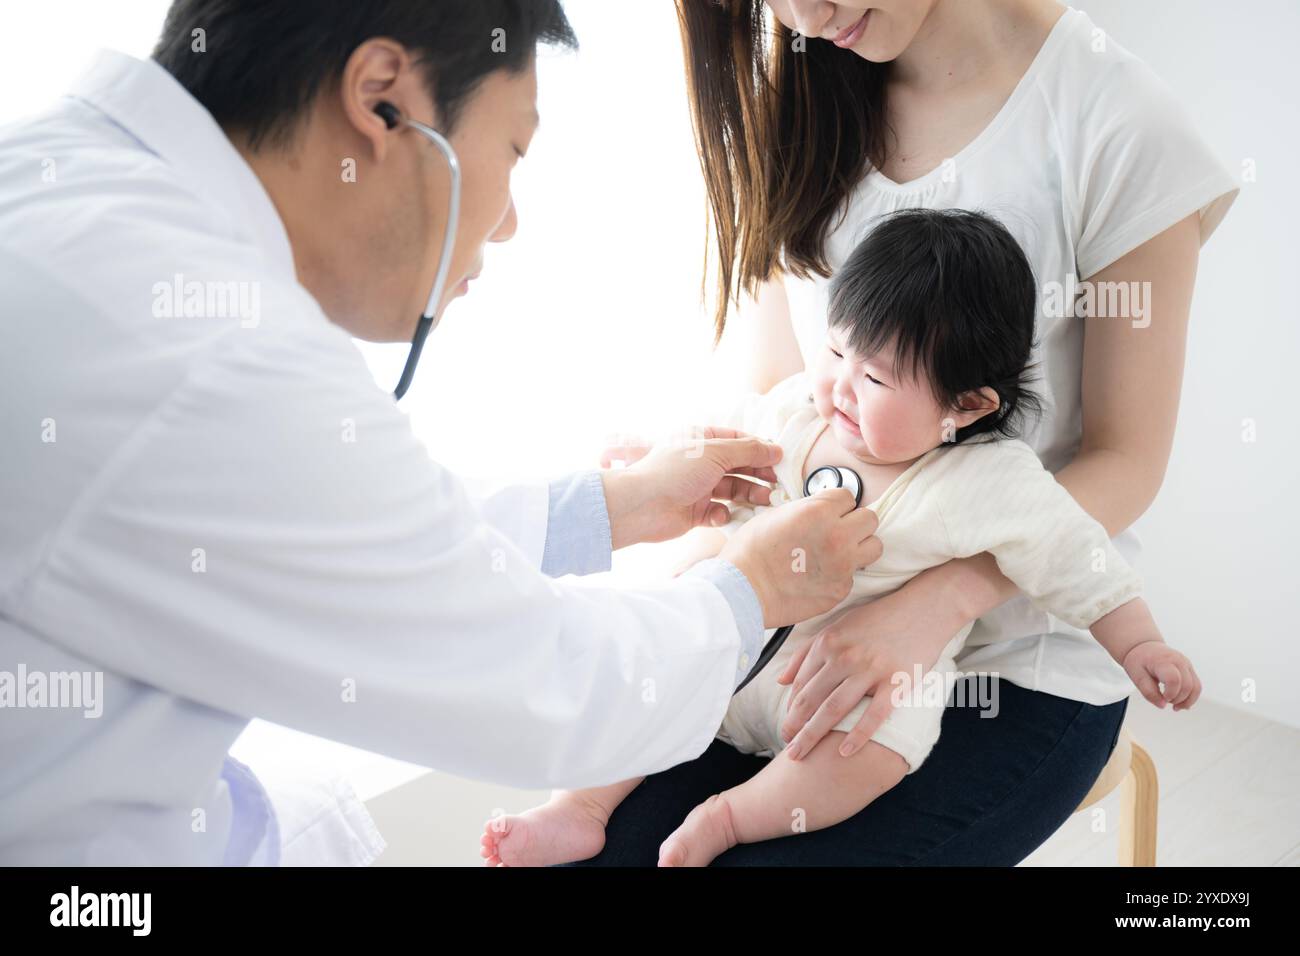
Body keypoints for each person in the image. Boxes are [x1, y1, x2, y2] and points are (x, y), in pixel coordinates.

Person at [0, 0, 882, 866]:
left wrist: (613, 506)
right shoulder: (213, 357)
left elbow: (317, 523)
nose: (506, 222)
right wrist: (749, 589)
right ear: (383, 97)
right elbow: (541, 683)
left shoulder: (65, 177)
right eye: (512, 150)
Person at [569, 0, 1238, 865]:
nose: (803, 15)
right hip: (798, 626)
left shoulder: (1114, 121)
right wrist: (703, 493)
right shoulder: (802, 95)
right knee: (599, 841)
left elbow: (1127, 460)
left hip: (1017, 661)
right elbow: (775, 389)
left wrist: (937, 601)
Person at [484, 208, 1202, 867]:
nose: (839, 388)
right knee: (649, 671)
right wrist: (657, 457)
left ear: (967, 405)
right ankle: (579, 805)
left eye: (877, 379)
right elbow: (726, 444)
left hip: (852, 689)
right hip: (740, 655)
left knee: (880, 744)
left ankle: (732, 818)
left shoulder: (989, 482)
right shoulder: (802, 414)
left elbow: (1078, 559)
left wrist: (1141, 644)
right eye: (834, 351)